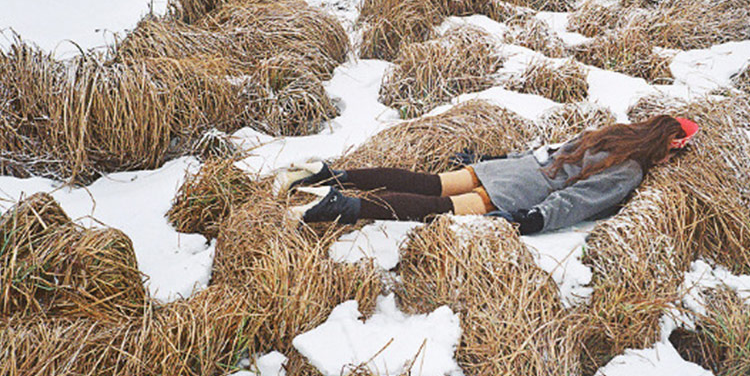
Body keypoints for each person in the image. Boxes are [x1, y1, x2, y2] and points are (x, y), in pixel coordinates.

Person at [283, 115, 699, 235]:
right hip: (522, 188)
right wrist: (536, 219)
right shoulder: (629, 171)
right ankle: (341, 207)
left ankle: (331, 174)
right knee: (436, 207)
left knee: (428, 183)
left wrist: (494, 157)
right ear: (664, 147)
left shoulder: (613, 134)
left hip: (512, 168)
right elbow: (580, 200)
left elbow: (550, 151)